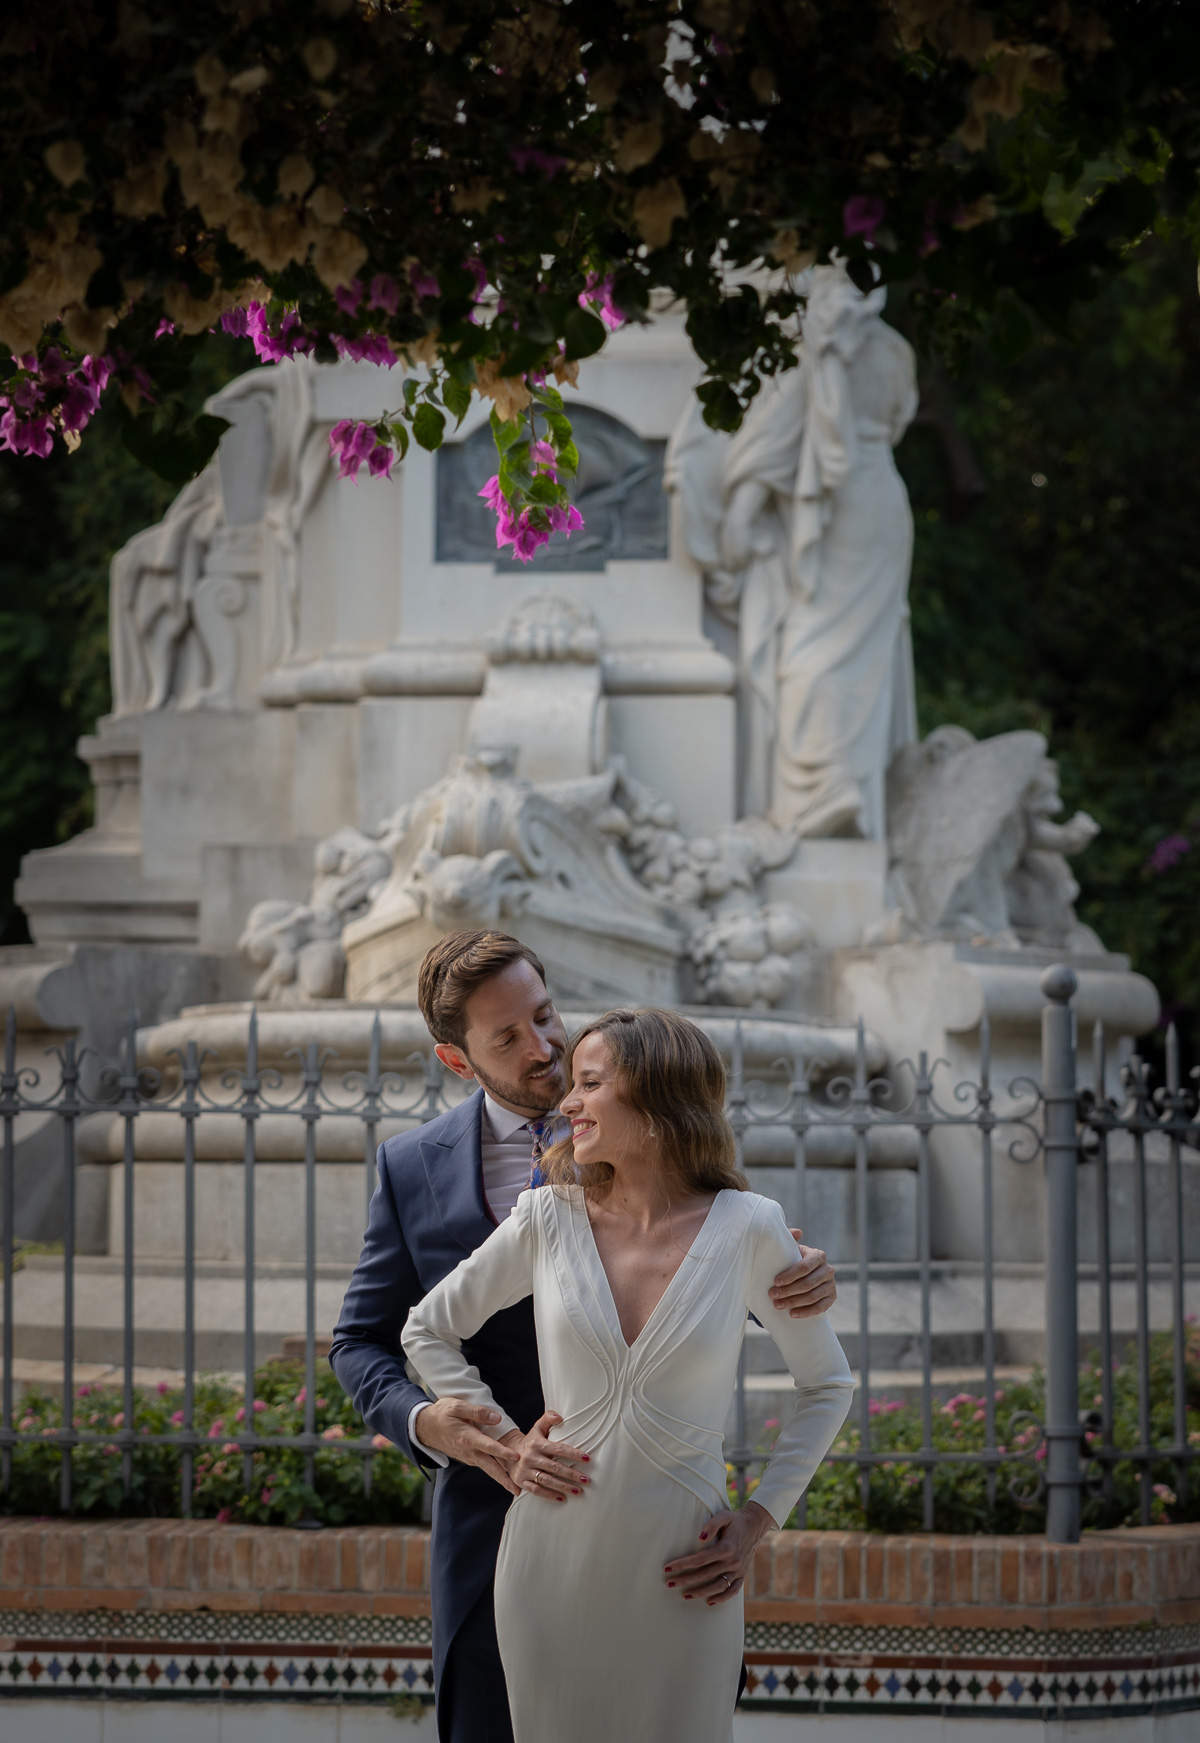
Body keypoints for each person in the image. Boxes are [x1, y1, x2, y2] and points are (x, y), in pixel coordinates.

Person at [330, 930, 839, 1743]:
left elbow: (699, 1277)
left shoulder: (639, 1093)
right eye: (508, 1036)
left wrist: (787, 1274)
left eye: (545, 1014)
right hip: (501, 1525)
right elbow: (364, 1341)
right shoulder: (410, 1167)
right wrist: (447, 1425)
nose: (546, 1048)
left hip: (662, 1526)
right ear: (458, 1059)